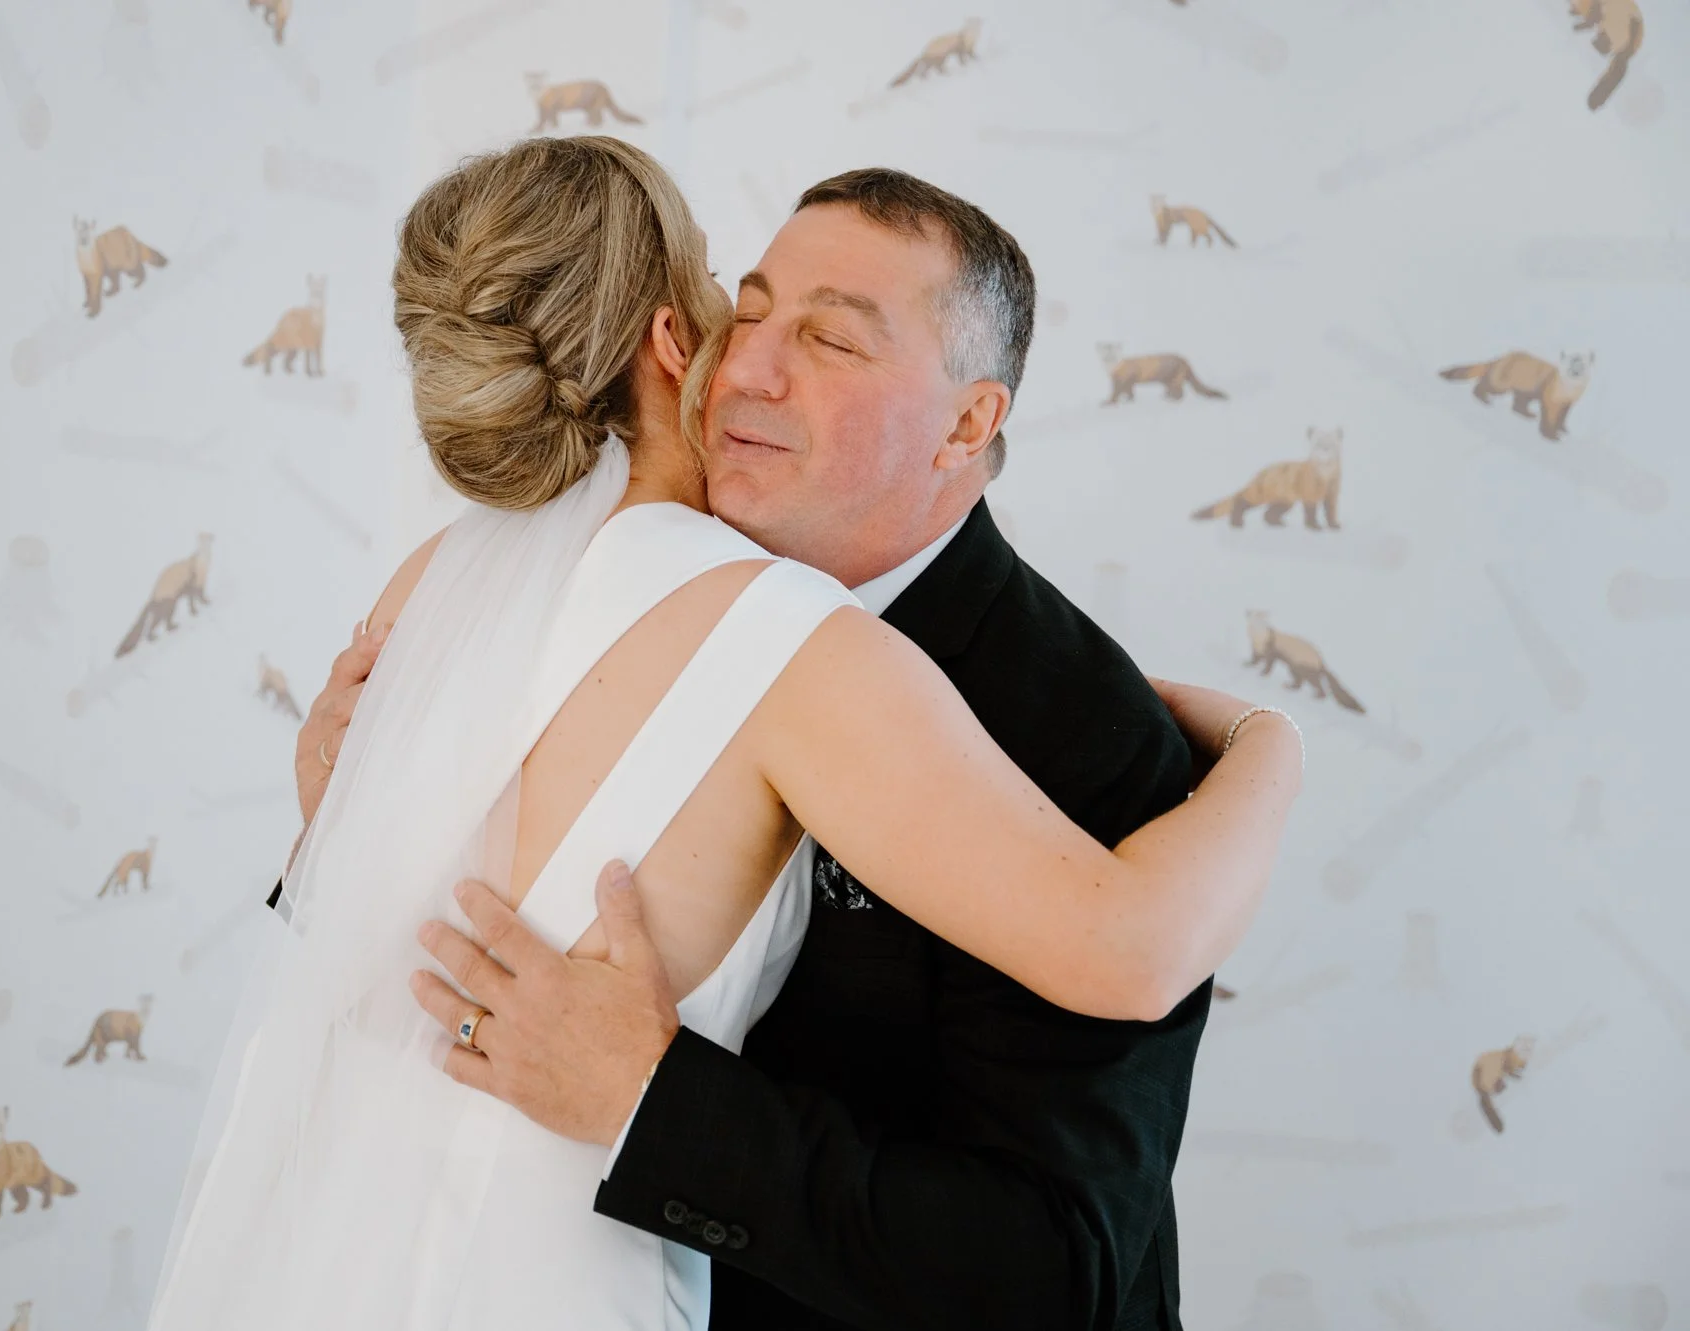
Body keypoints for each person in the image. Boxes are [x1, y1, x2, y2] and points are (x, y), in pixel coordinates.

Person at [154, 139, 1300, 1331]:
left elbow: (1056, 1275)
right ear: (671, 342)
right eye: (741, 309)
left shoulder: (1079, 734)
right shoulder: (617, 603)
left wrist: (652, 1100)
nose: (749, 365)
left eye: (830, 337)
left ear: (967, 422)